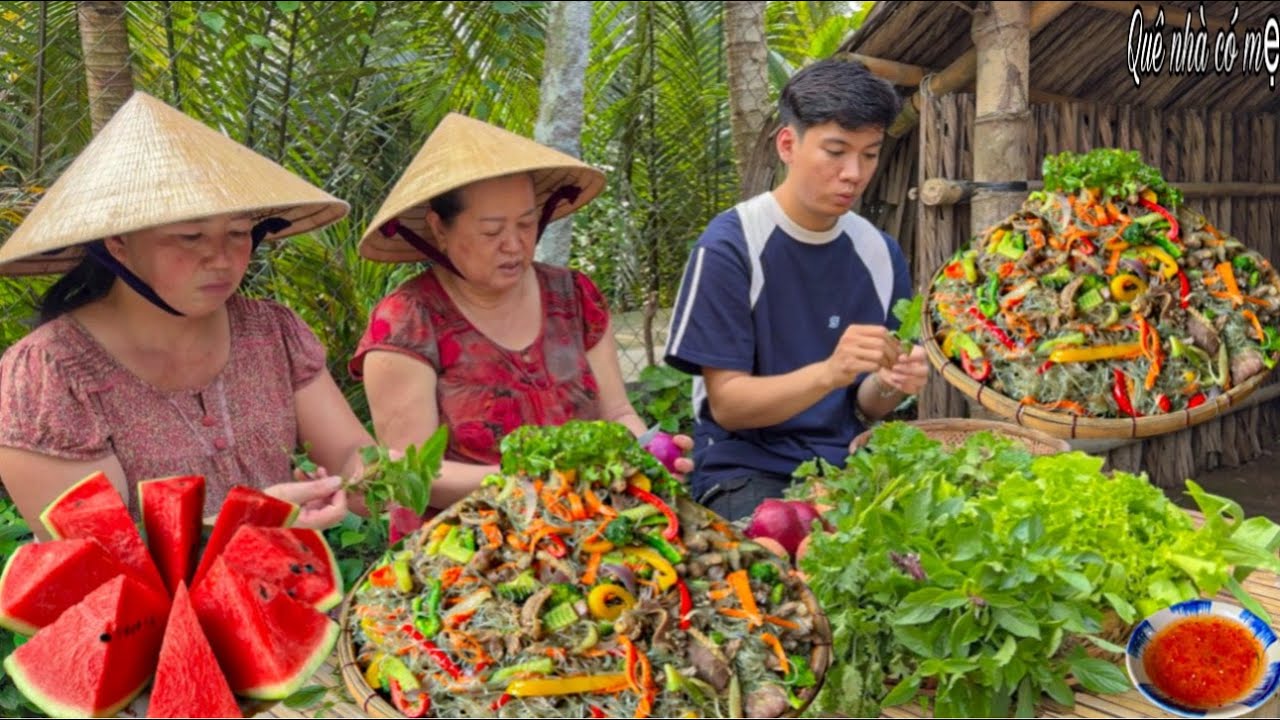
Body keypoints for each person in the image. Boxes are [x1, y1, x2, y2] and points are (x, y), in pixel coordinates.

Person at [0, 91, 376, 538]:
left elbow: (351, 454)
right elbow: (96, 549)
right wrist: (250, 516)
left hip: (288, 592)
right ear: (118, 244)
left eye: (238, 232)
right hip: (145, 608)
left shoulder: (271, 332)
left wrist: (378, 479)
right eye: (190, 236)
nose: (220, 258)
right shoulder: (50, 373)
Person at [350, 113, 692, 513]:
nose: (513, 245)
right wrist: (542, 477)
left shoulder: (574, 297)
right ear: (439, 228)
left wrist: (646, 452)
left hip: (589, 520)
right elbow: (410, 476)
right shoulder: (406, 322)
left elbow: (617, 413)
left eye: (526, 224)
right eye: (492, 232)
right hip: (466, 543)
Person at [663, 59, 930, 522]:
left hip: (847, 467)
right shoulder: (732, 244)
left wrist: (890, 383)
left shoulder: (879, 252)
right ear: (788, 144)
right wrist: (830, 371)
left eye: (869, 154)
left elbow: (870, 406)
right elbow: (728, 406)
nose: (854, 172)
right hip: (745, 470)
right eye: (836, 151)